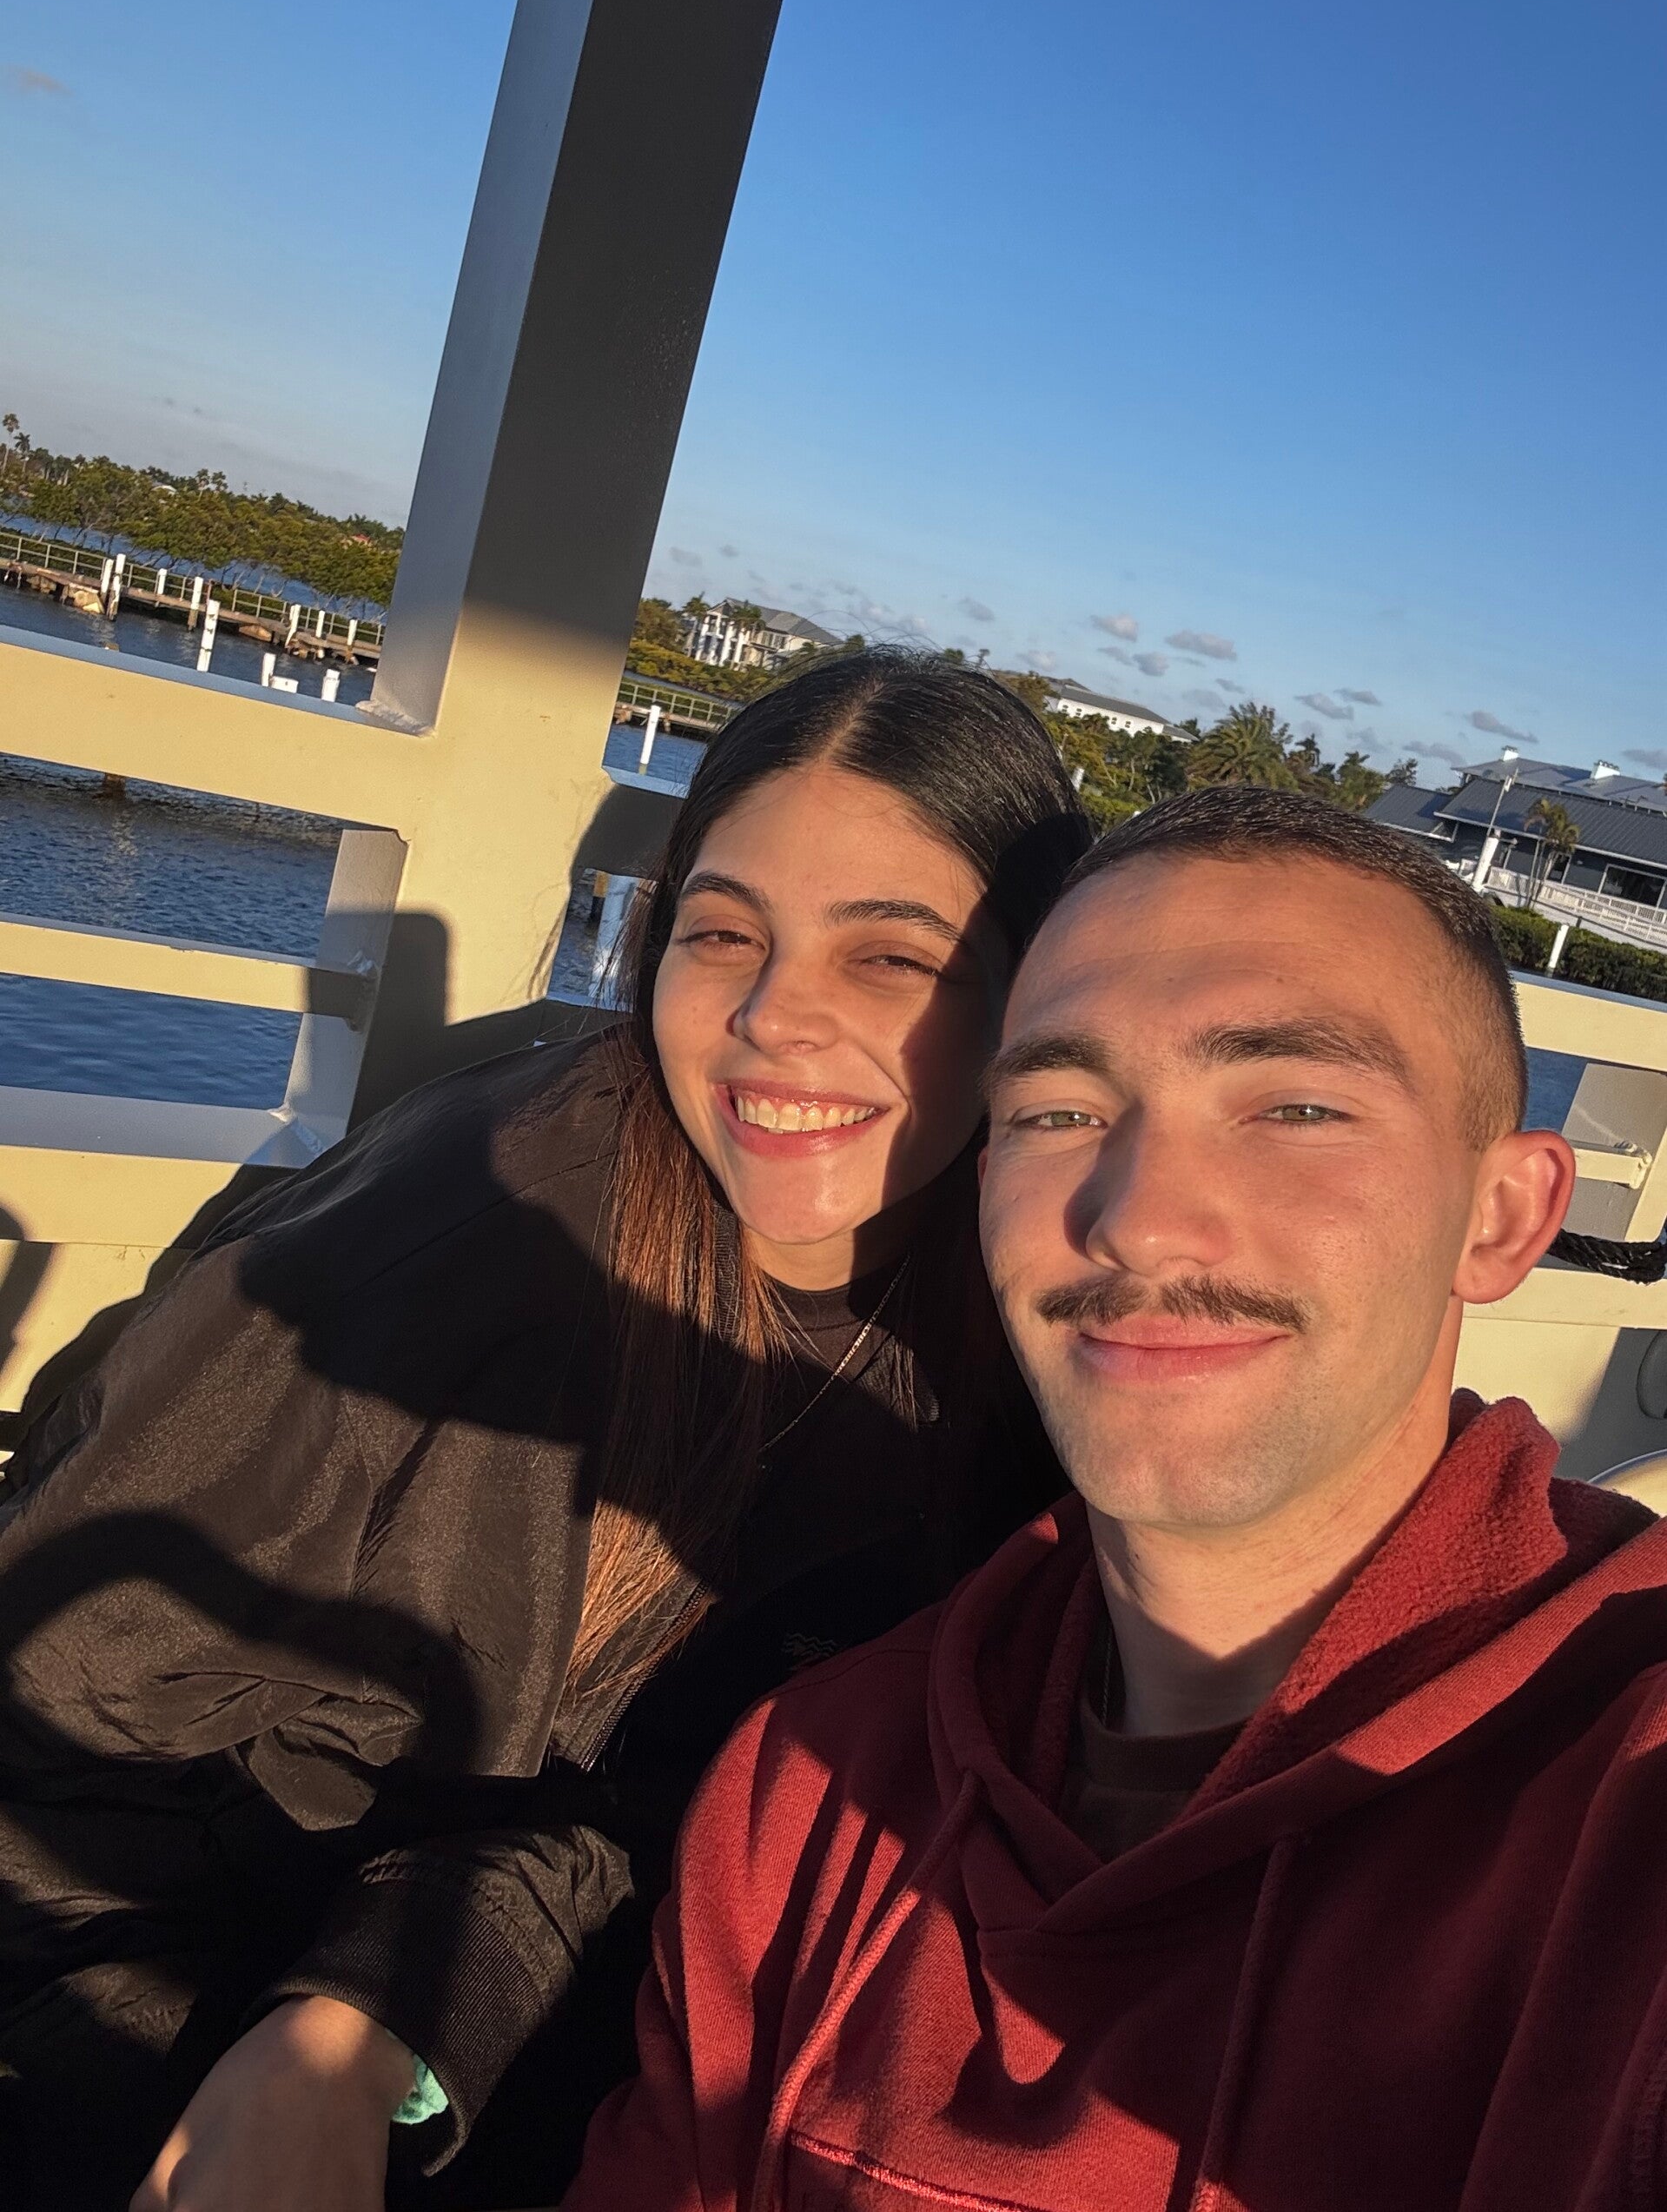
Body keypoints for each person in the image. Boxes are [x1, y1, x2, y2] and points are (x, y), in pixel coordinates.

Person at [0, 651, 1089, 2210]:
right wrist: (290, 2048)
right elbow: (46, 1729)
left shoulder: (1036, 1320)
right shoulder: (443, 1261)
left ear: (1033, 1001)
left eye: (893, 959)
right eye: (724, 933)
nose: (775, 1017)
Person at [564, 785, 1667, 2212]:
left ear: (1504, 1215)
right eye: (1062, 1111)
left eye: (1295, 1107)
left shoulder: (1620, 1797)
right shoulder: (812, 1781)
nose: (1138, 1218)